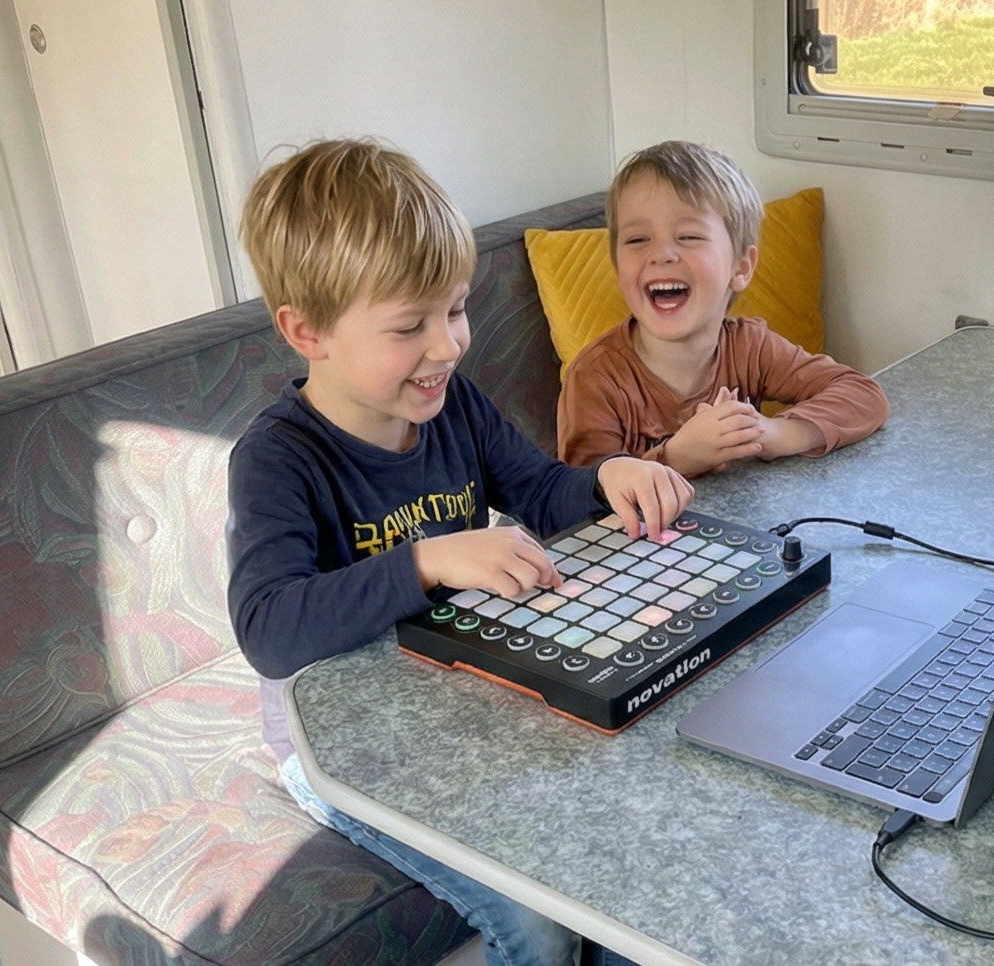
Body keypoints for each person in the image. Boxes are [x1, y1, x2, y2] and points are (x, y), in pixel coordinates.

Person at [227, 137, 691, 966]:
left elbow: (539, 490)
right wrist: (428, 560)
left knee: (627, 824)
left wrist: (608, 477)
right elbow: (269, 628)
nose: (448, 345)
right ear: (306, 331)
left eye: (456, 310)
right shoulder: (276, 460)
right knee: (538, 924)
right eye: (410, 325)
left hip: (452, 706)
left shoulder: (453, 405)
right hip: (337, 751)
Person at [557, 139, 889, 478]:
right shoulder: (594, 379)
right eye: (637, 239)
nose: (661, 254)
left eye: (688, 236)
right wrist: (678, 458)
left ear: (741, 268)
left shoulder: (751, 347)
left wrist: (770, 434)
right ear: (617, 268)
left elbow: (863, 395)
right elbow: (580, 498)